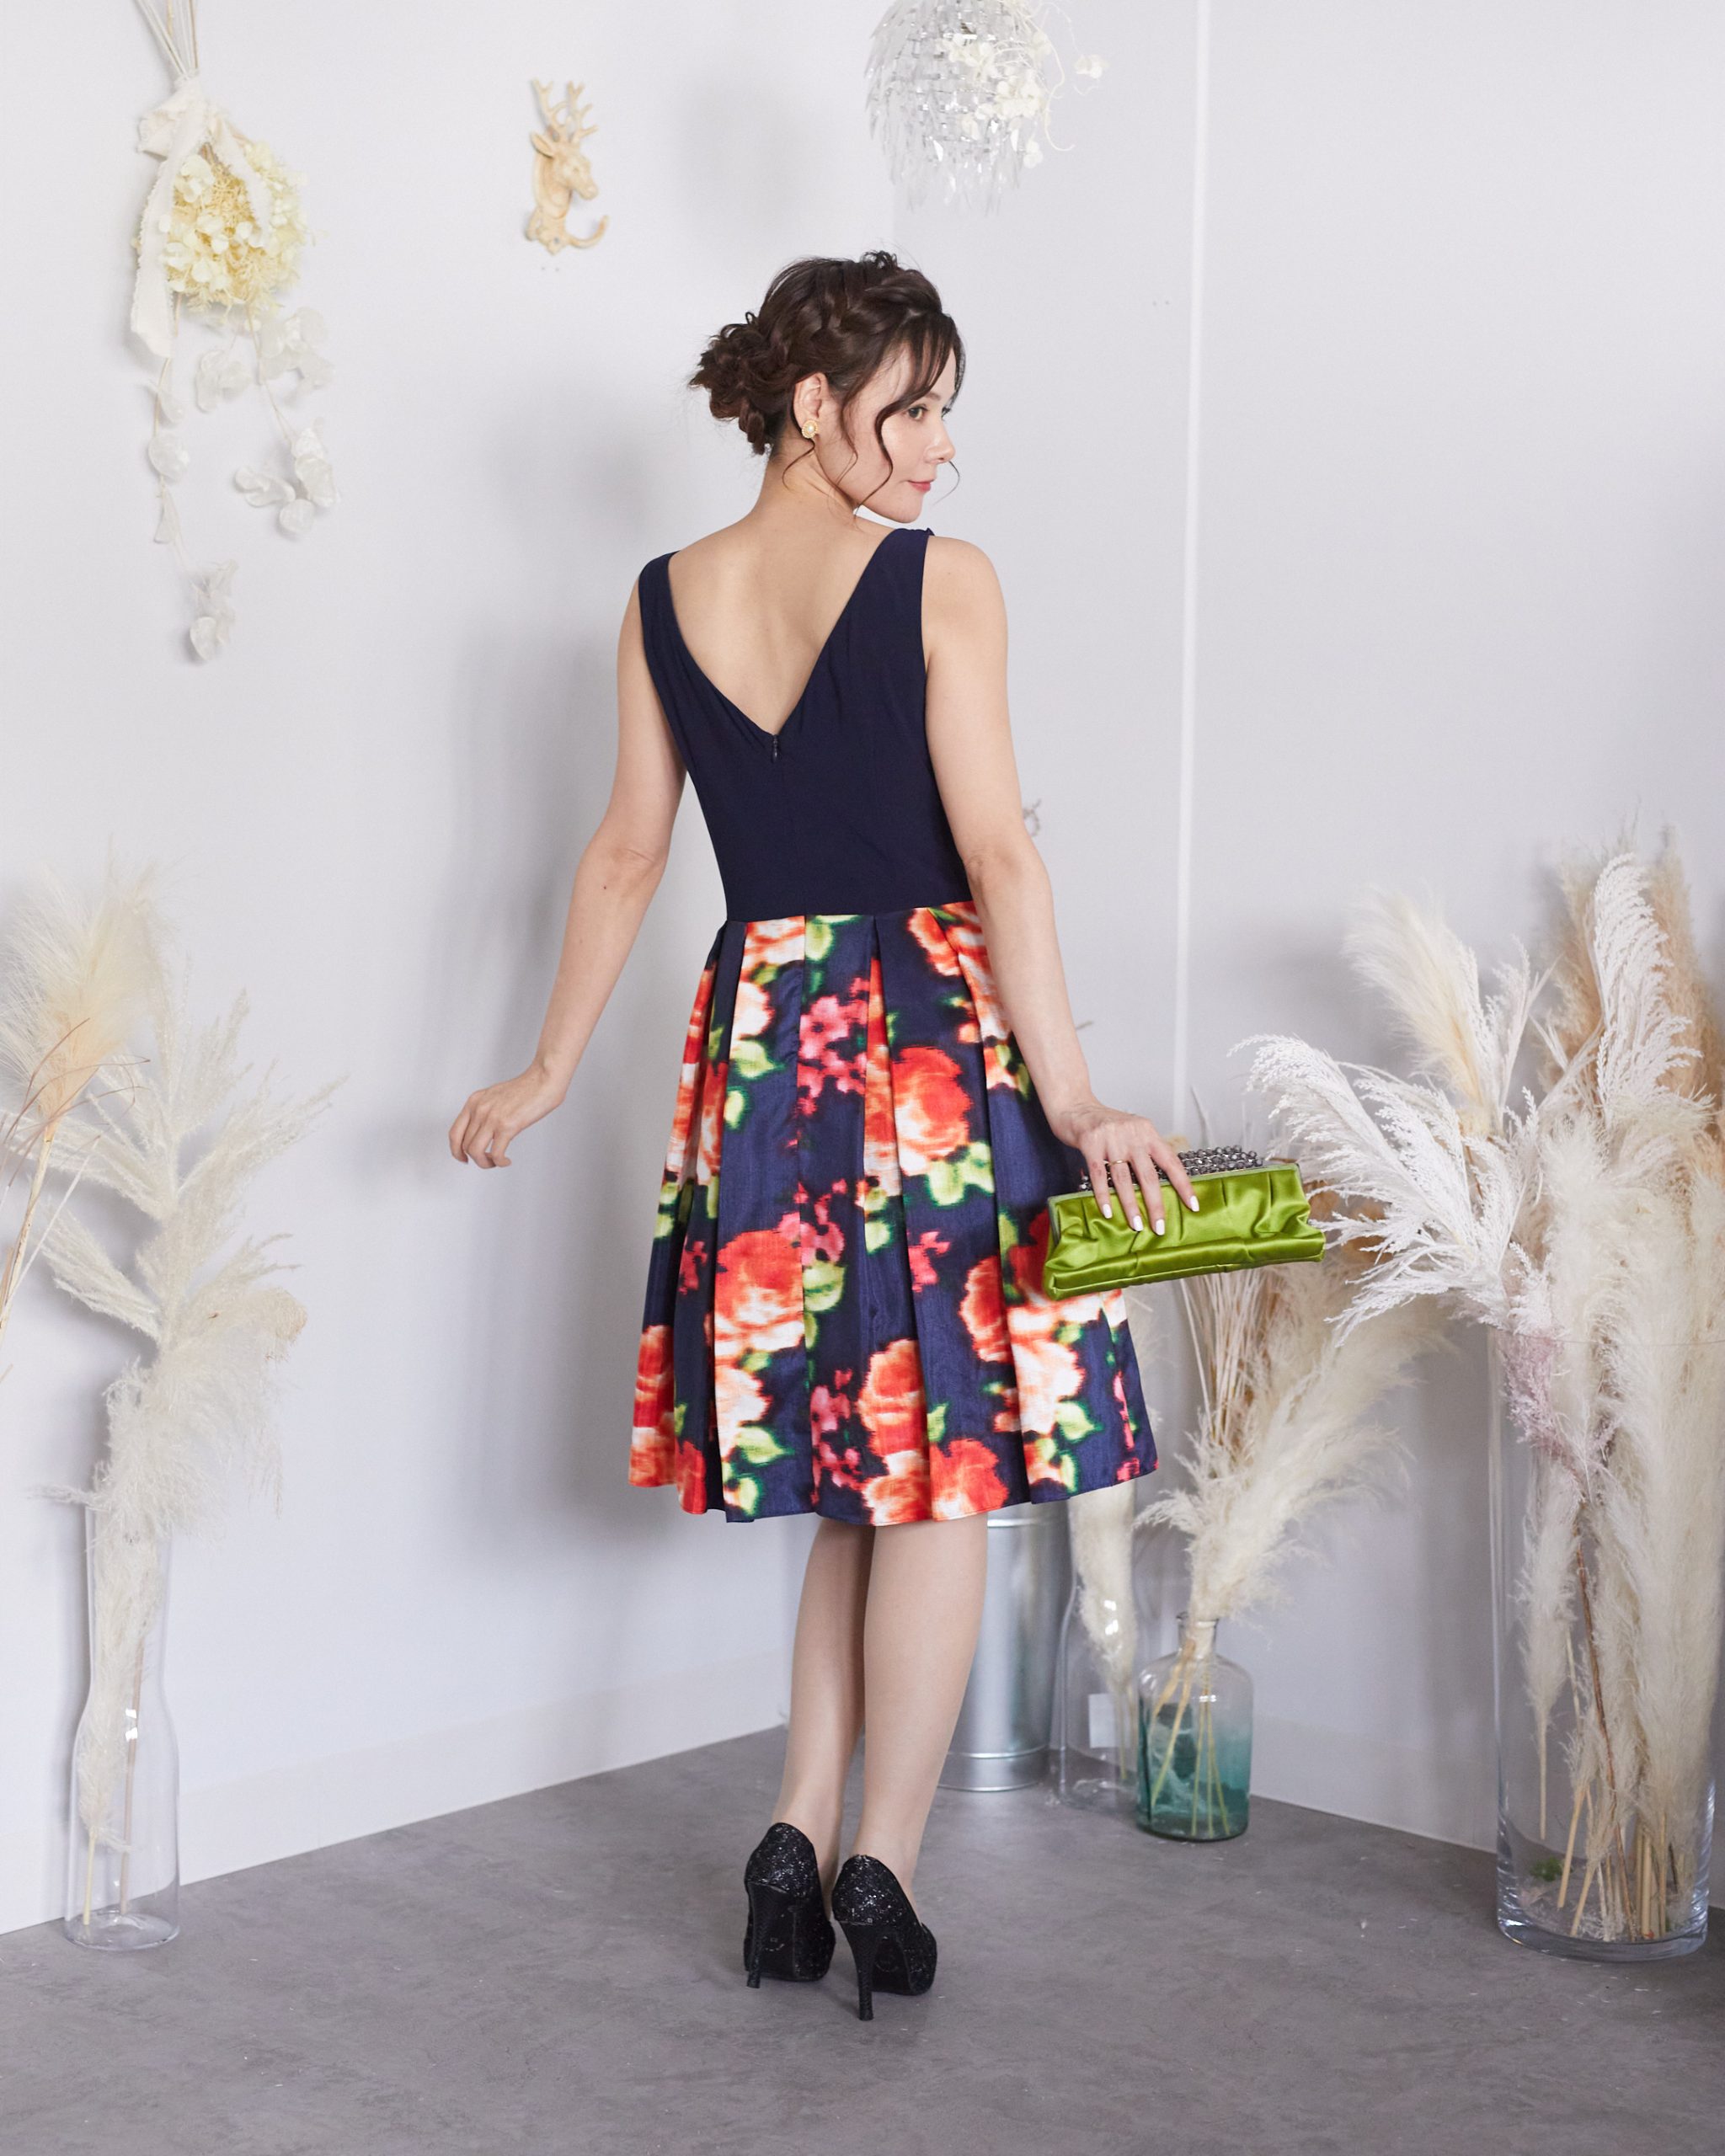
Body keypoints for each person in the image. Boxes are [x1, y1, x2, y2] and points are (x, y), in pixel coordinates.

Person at [449, 249, 1197, 2020]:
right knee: (942, 1482)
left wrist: (546, 1067)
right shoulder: (944, 584)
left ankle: (791, 1830)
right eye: (913, 409)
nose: (940, 448)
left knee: (859, 1479)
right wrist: (1072, 1095)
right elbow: (998, 853)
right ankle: (887, 1862)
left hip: (770, 1048)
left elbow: (627, 852)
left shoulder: (661, 599)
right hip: (932, 1046)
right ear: (814, 406)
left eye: (944, 413)